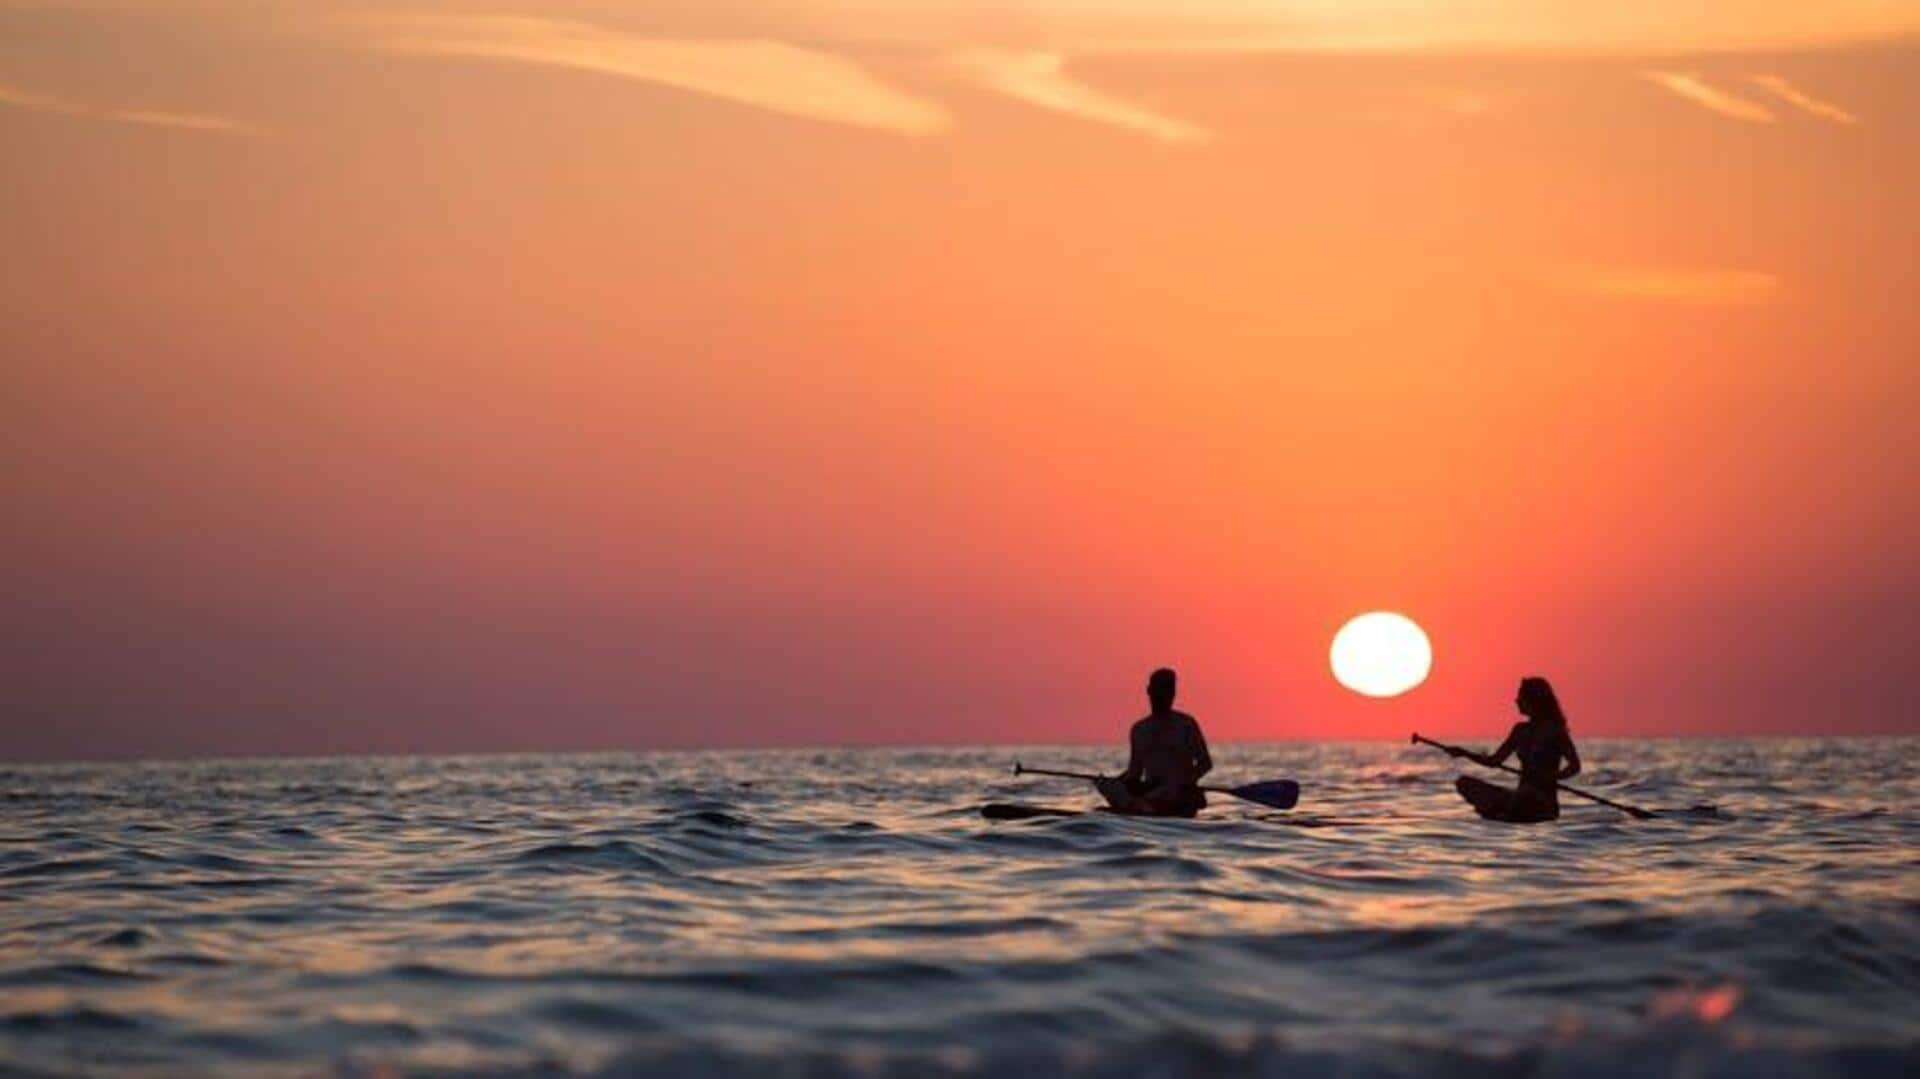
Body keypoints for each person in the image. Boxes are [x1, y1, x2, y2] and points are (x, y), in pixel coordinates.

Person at [1452, 676, 1582, 822]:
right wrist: (1463, 753)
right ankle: (1504, 811)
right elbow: (1494, 761)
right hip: (1520, 796)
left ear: (1534, 700)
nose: (1517, 701)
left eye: (1520, 696)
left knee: (1523, 798)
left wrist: (1552, 777)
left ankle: (1503, 811)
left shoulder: (1554, 730)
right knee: (1464, 783)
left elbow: (1575, 766)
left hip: (1543, 803)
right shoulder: (1520, 730)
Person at [1096, 668, 1212, 817]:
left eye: (1169, 690)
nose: (1165, 695)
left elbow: (1205, 763)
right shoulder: (1139, 729)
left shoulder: (1186, 724)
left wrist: (1185, 781)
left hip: (1177, 793)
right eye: (1161, 690)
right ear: (1149, 691)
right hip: (1151, 792)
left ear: (1173, 694)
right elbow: (1135, 773)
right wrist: (1112, 782)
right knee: (1113, 788)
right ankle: (1141, 806)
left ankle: (1141, 807)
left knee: (1166, 794)